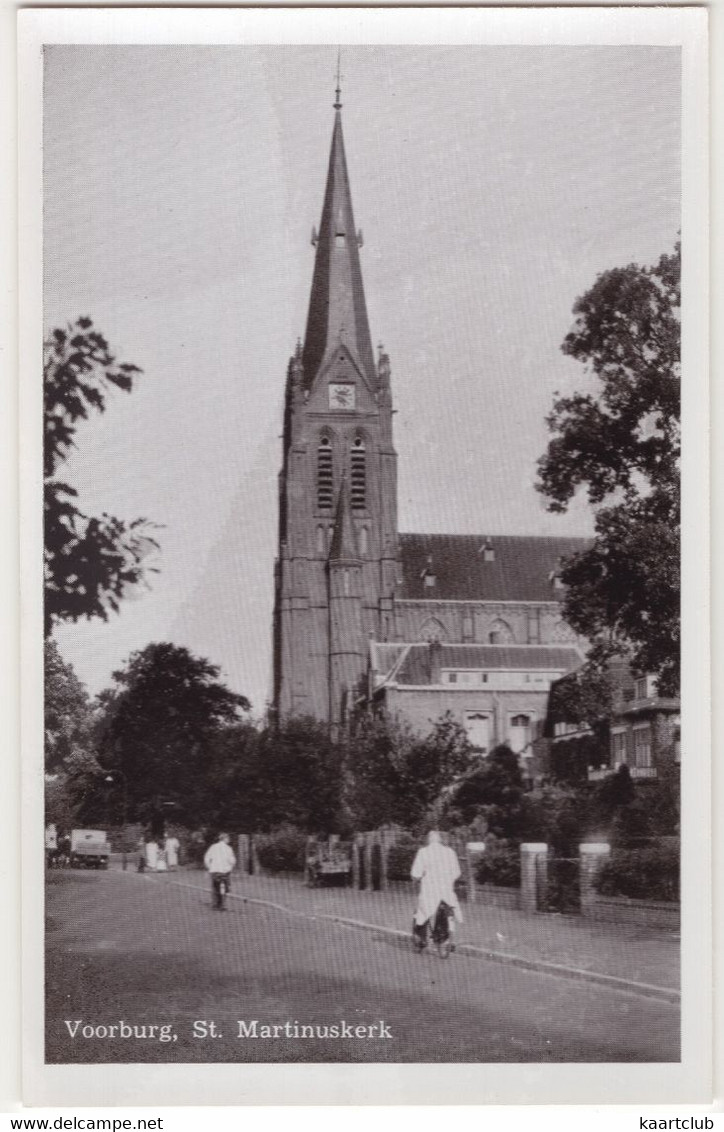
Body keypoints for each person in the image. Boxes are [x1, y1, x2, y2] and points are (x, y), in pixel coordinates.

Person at [410, 831, 463, 946]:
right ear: (440, 840)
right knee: (445, 907)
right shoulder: (450, 852)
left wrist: (417, 878)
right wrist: (449, 880)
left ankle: (421, 938)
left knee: (423, 911)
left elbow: (416, 873)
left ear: (429, 840)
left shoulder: (423, 852)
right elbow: (457, 872)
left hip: (430, 890)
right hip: (446, 890)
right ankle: (442, 937)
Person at [204, 832, 236, 910]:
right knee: (226, 887)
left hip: (215, 870)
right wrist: (231, 867)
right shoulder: (228, 848)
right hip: (225, 871)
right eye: (228, 838)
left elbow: (207, 858)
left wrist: (209, 867)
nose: (229, 840)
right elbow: (232, 860)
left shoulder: (213, 847)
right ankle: (223, 905)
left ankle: (215, 904)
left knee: (215, 887)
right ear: (224, 839)